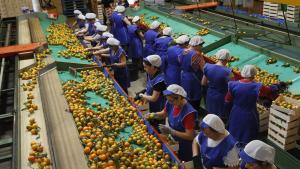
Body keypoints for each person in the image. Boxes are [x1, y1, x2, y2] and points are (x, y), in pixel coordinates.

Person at [224, 65, 287, 145]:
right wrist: (277, 86)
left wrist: (229, 112)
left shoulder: (233, 85)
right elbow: (269, 91)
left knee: (235, 132)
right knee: (248, 135)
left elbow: (227, 101)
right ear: (254, 74)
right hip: (250, 114)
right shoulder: (257, 86)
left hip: (236, 113)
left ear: (243, 73)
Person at [146, 84, 197, 162]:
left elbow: (190, 136)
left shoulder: (188, 113)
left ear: (179, 97)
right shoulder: (170, 102)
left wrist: (172, 131)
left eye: (171, 100)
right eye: (168, 100)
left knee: (183, 162)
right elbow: (163, 114)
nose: (169, 102)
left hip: (185, 145)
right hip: (174, 141)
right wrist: (153, 115)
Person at [201, 49, 233, 119]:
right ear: (228, 59)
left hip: (210, 95)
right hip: (221, 98)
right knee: (220, 118)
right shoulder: (228, 72)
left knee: (211, 116)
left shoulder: (207, 67)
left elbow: (203, 83)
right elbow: (231, 88)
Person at [139, 55, 166, 129]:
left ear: (154, 67)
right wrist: (145, 93)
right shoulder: (150, 74)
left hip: (158, 107)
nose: (144, 69)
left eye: (146, 67)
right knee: (151, 121)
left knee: (157, 126)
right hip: (151, 105)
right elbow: (149, 86)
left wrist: (142, 95)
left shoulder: (160, 80)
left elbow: (154, 98)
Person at [180, 36, 205, 111]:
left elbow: (180, 61)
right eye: (200, 45)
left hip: (184, 76)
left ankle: (186, 110)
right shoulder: (197, 55)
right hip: (194, 79)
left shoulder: (184, 51)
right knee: (194, 98)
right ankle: (194, 114)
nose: (201, 47)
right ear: (196, 45)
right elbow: (203, 68)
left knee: (186, 95)